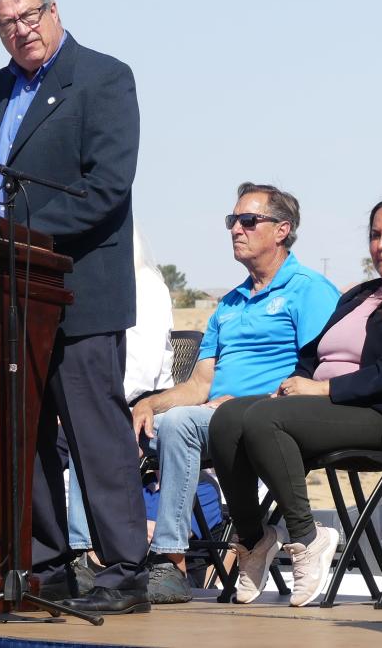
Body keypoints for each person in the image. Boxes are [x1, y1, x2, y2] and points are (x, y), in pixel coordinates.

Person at [0, 0, 148, 614]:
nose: (21, 31)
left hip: (79, 292)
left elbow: (106, 189)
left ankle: (125, 572)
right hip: (8, 297)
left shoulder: (102, 78)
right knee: (25, 434)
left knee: (97, 437)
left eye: (29, 16)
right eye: (6, 24)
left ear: (53, 9)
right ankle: (48, 566)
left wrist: (21, 234)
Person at [209, 195, 382, 608]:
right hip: (325, 409)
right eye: (375, 235)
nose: (381, 245)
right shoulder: (360, 295)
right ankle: (253, 539)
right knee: (229, 417)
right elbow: (312, 354)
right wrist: (294, 384)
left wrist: (321, 390)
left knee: (265, 420)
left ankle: (308, 538)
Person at [130, 182, 340, 604]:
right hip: (212, 418)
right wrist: (146, 403)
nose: (236, 229)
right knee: (111, 421)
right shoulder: (229, 304)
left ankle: (169, 561)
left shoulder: (309, 289)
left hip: (271, 418)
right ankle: (88, 560)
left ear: (282, 230)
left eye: (248, 220)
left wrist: (246, 403)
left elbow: (318, 371)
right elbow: (198, 385)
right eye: (232, 221)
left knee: (181, 423)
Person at [66, 222, 174, 583]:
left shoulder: (145, 287)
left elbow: (139, 373)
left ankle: (86, 553)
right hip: (107, 402)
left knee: (90, 431)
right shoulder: (101, 291)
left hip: (144, 408)